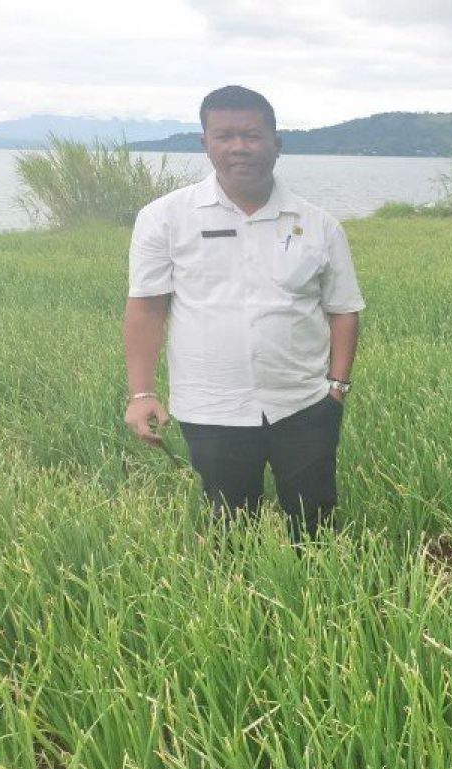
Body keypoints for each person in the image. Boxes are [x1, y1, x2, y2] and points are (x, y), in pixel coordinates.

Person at [123, 85, 365, 540]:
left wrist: (336, 389)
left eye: (252, 135)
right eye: (224, 135)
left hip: (304, 403)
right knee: (230, 525)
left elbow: (344, 309)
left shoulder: (319, 224)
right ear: (204, 144)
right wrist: (141, 394)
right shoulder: (165, 218)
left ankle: (319, 596)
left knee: (315, 522)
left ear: (276, 144)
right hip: (211, 406)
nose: (239, 146)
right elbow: (148, 308)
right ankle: (239, 600)